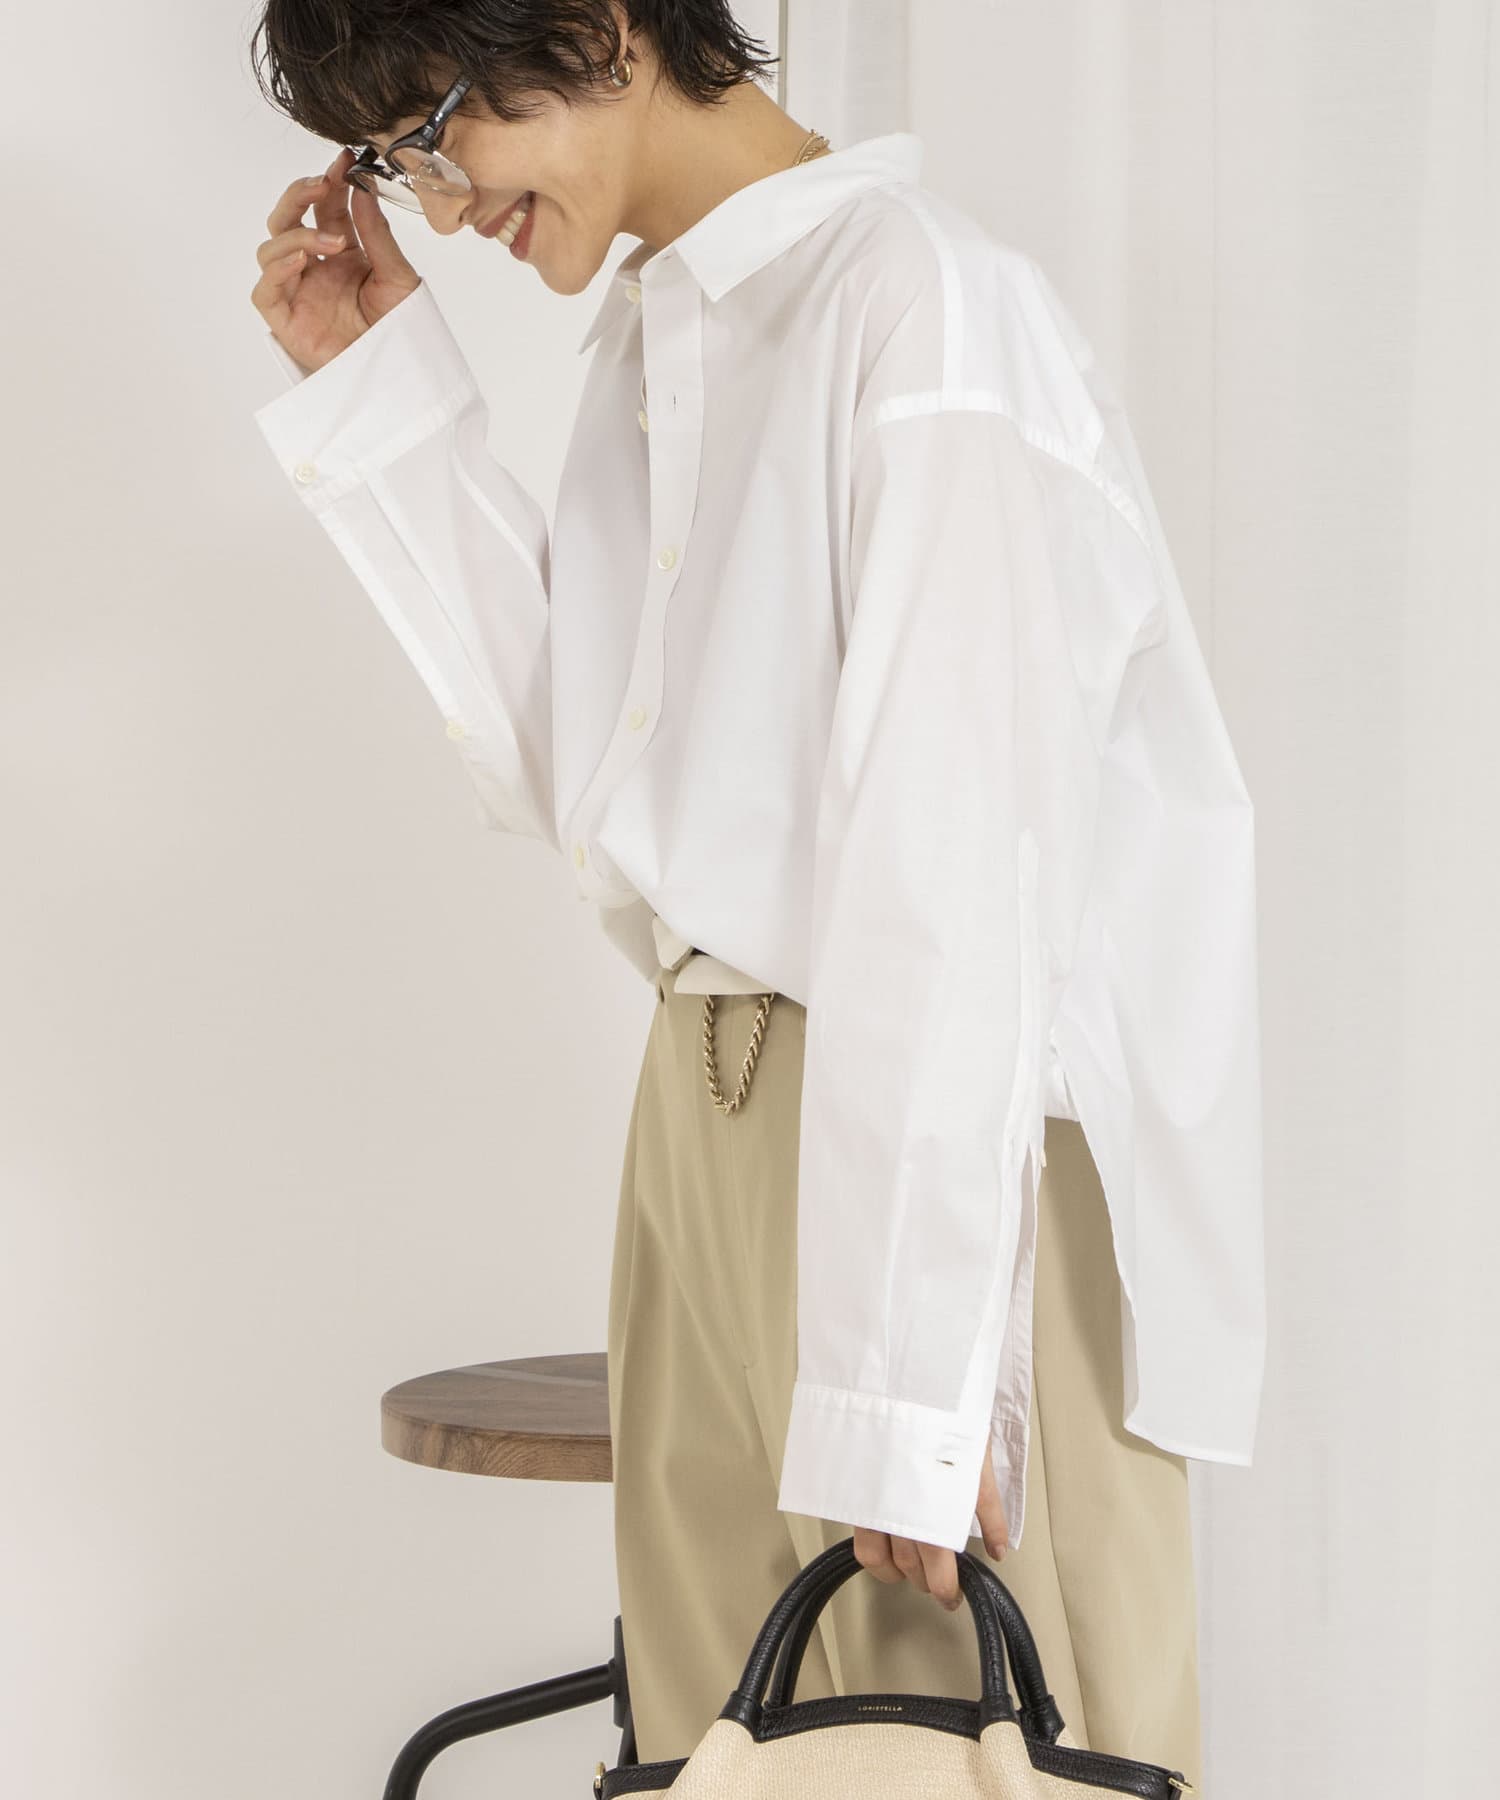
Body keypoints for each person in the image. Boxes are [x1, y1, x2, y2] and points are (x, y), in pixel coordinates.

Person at [248, 3, 1264, 1789]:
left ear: (601, 25)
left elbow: (963, 856)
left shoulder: (919, 309)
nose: (444, 199)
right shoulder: (671, 335)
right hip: (705, 1120)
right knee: (721, 1752)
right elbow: (590, 779)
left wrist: (912, 1383)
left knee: (1005, 1753)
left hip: (929, 1145)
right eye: (399, 160)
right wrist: (377, 385)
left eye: (440, 128)